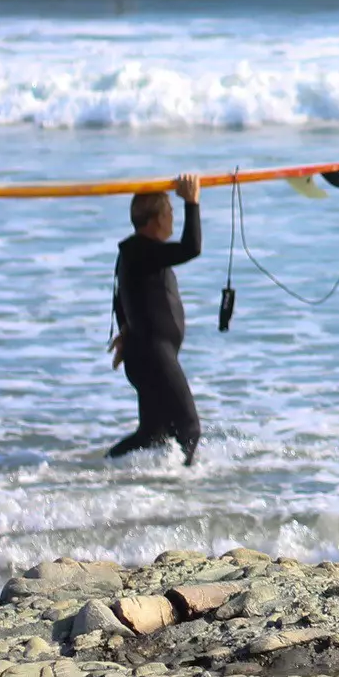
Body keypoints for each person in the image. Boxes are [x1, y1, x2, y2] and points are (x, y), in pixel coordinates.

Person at [108, 175, 205, 465]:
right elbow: (191, 247)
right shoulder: (140, 250)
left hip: (147, 355)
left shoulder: (137, 253)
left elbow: (119, 297)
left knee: (153, 434)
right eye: (169, 212)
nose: (172, 218)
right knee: (189, 430)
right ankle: (182, 487)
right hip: (153, 356)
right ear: (153, 219)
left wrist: (125, 328)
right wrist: (191, 202)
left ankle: (106, 468)